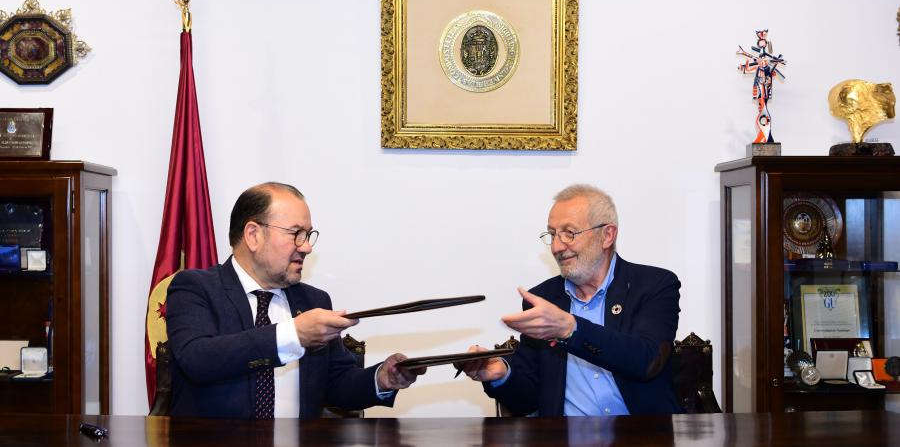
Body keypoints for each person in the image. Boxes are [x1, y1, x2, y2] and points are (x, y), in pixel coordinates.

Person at [166, 182, 423, 418]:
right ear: (253, 235)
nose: (307, 247)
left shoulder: (313, 300)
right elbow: (198, 360)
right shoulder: (195, 287)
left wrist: (382, 380)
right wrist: (293, 335)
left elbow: (337, 384)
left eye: (308, 235)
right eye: (296, 233)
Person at [457, 184, 682, 416]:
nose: (556, 247)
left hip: (643, 436)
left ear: (607, 235)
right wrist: (502, 375)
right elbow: (528, 400)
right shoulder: (544, 299)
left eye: (569, 233)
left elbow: (646, 361)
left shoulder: (654, 285)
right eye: (553, 234)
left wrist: (571, 329)